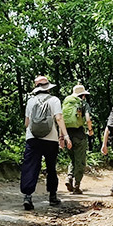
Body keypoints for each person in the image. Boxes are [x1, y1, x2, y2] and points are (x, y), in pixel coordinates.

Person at [21, 75, 71, 211]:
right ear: (48, 87)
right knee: (51, 168)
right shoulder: (54, 100)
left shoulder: (31, 101)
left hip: (32, 138)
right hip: (51, 139)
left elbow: (27, 123)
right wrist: (65, 136)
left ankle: (27, 197)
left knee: (30, 166)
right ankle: (53, 196)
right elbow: (59, 118)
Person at [63, 84, 93, 194]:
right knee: (80, 160)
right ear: (83, 95)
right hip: (79, 134)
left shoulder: (67, 103)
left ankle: (69, 178)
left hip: (67, 134)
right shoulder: (83, 103)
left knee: (72, 159)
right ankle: (76, 185)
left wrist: (62, 137)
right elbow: (88, 118)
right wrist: (90, 130)